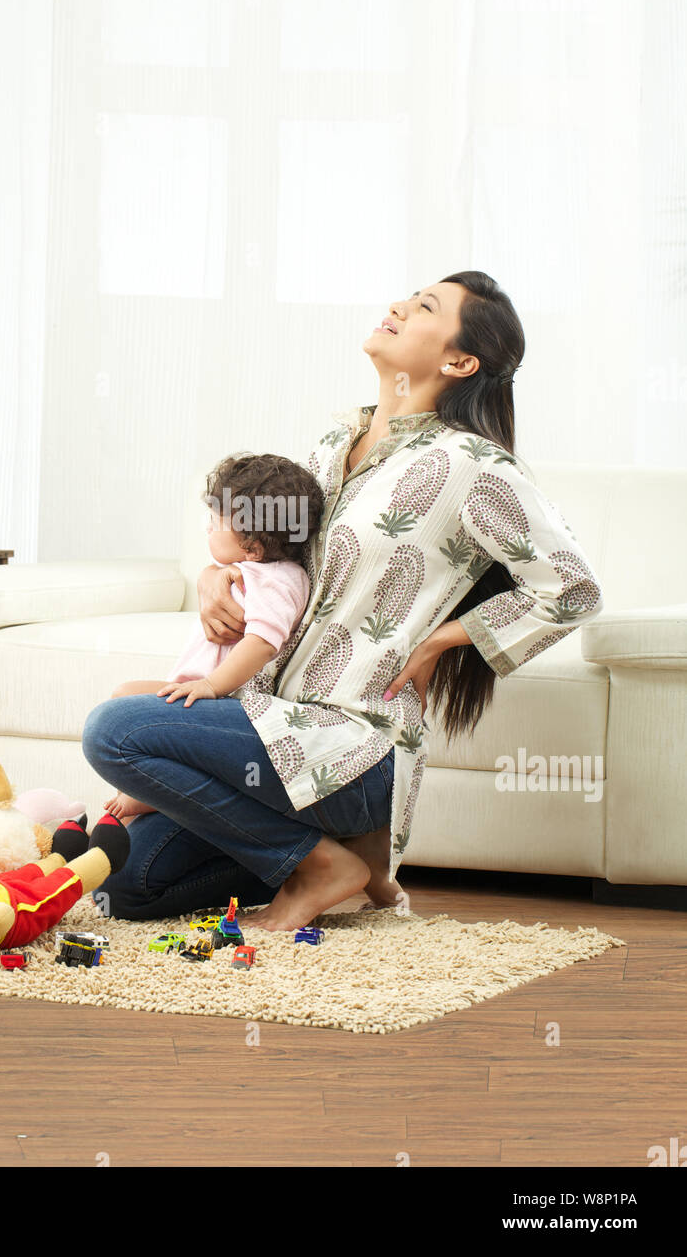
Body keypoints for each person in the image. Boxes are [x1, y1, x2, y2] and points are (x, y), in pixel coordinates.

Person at [82, 271, 604, 931]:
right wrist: (217, 580)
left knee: (115, 729)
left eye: (424, 308)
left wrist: (448, 639)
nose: (397, 306)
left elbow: (573, 586)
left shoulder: (474, 465)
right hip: (267, 729)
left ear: (459, 360)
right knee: (132, 885)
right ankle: (328, 857)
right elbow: (273, 554)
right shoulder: (332, 445)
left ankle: (323, 866)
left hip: (353, 748)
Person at [101, 451, 323, 819]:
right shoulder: (246, 569)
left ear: (252, 545)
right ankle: (145, 792)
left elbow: (263, 643)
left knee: (123, 703)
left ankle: (148, 790)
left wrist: (213, 685)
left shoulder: (279, 580)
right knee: (123, 698)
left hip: (226, 703)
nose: (207, 527)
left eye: (216, 521)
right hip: (203, 694)